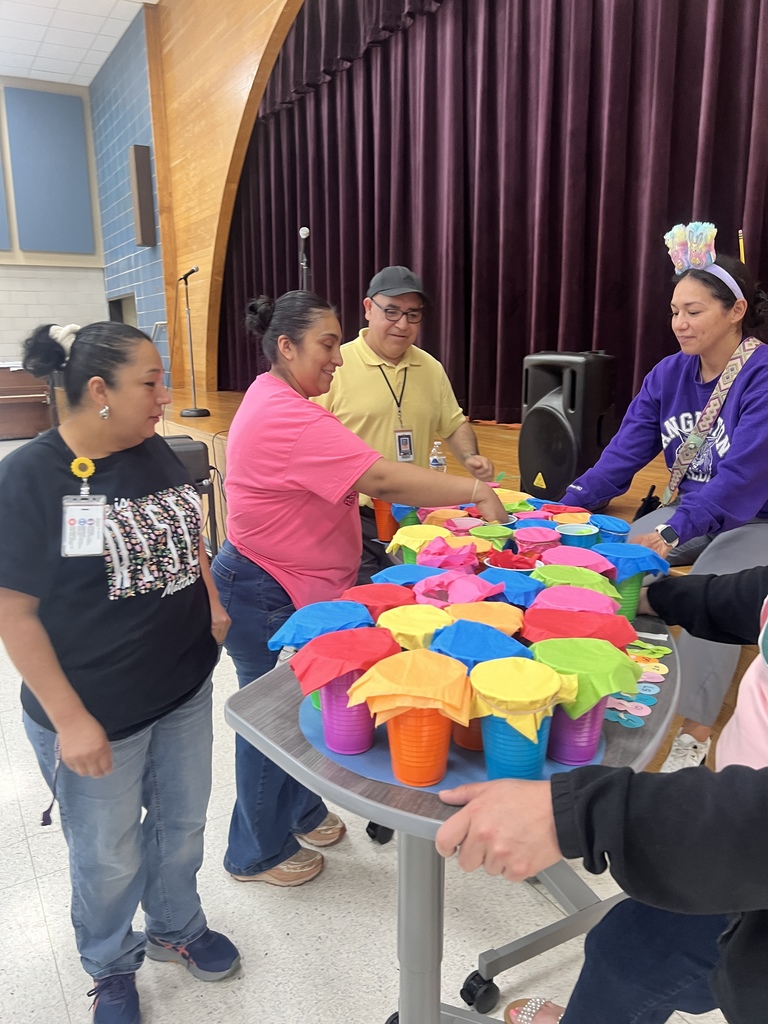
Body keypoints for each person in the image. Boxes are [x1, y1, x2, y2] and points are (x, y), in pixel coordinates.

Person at [212, 290, 507, 888]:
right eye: (327, 345)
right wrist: (473, 493)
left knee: (301, 708)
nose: (338, 359)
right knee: (277, 720)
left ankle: (299, 811)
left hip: (281, 581)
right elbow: (377, 474)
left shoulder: (278, 394)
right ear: (286, 347)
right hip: (268, 588)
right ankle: (254, 851)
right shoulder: (286, 413)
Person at [0, 323, 239, 1024]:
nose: (164, 397)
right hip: (95, 707)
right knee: (106, 855)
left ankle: (175, 927)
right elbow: (13, 613)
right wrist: (71, 720)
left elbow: (185, 532)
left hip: (183, 685)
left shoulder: (152, 448)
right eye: (150, 383)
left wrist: (214, 600)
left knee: (183, 824)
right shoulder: (30, 477)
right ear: (99, 391)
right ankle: (109, 964)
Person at [435, 564, 768, 1024]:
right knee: (632, 953)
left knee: (638, 951)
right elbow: (757, 595)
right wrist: (655, 599)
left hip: (748, 852)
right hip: (734, 835)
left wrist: (581, 814)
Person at [562, 227, 768, 772]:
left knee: (717, 583)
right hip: (695, 510)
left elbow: (745, 477)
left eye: (694, 311)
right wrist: (569, 503)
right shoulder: (668, 373)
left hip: (757, 516)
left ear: (735, 310)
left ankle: (695, 729)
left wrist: (678, 529)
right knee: (616, 557)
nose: (679, 323)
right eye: (675, 310)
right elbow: (622, 455)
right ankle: (616, 678)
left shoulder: (762, 374)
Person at [314, 265, 495, 583]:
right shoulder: (335, 366)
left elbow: (453, 423)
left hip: (417, 514)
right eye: (393, 312)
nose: (403, 324)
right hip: (353, 518)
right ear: (369, 308)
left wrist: (469, 457)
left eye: (413, 315)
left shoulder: (431, 367)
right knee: (371, 607)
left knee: (417, 600)